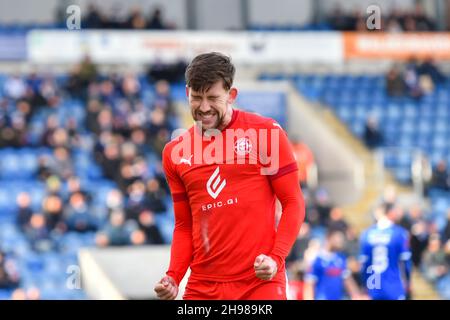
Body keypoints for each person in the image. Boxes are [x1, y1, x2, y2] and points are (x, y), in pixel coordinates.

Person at [154, 52, 305, 300]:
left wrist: (276, 258)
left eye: (213, 98)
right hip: (202, 287)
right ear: (186, 94)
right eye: (196, 98)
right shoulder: (175, 152)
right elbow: (184, 225)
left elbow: (293, 203)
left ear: (231, 95)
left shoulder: (266, 133)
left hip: (259, 283)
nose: (203, 108)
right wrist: (174, 276)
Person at [359, 206, 412, 300]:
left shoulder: (366, 234)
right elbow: (406, 263)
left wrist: (364, 285)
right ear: (390, 213)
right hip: (394, 286)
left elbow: (363, 265)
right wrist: (408, 281)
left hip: (373, 286)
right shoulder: (399, 233)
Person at [304, 230, 361, 300]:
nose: (340, 241)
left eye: (341, 239)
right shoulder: (317, 259)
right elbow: (309, 284)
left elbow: (348, 281)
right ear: (329, 237)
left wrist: (357, 296)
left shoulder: (341, 258)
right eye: (338, 238)